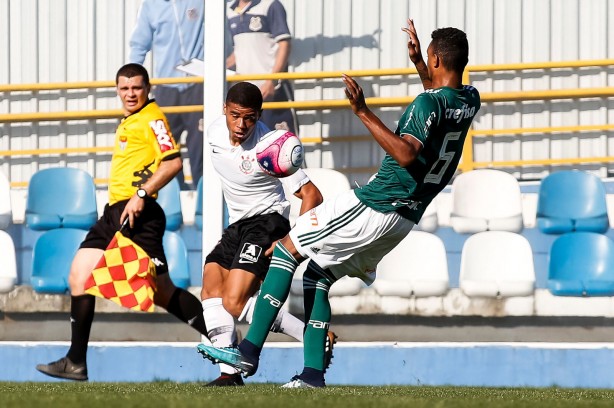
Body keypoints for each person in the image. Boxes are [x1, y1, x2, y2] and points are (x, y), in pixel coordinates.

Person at [197, 19, 481, 388]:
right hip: (405, 217)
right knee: (318, 276)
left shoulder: (426, 102)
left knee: (285, 252)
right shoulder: (469, 98)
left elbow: (408, 153)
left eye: (429, 58)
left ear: (437, 58)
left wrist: (362, 110)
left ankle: (247, 352)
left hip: (377, 202)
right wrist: (420, 66)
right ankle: (312, 375)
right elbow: (440, 97)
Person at [36, 63, 210, 381]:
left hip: (138, 215)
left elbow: (173, 162)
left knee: (163, 292)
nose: (130, 94)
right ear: (118, 90)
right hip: (114, 213)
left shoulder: (153, 117)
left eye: (137, 88)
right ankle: (76, 361)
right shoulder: (131, 119)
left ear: (148, 88)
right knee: (79, 275)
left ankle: (226, 342)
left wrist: (143, 192)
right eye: (124, 88)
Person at [199, 81, 336, 387]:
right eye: (235, 115)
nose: (241, 125)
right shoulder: (213, 134)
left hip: (267, 223)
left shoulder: (271, 147)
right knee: (210, 287)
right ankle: (230, 375)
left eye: (249, 118)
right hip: (237, 225)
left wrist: (293, 240)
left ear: (258, 116)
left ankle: (310, 336)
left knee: (234, 302)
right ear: (224, 109)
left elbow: (312, 195)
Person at [129, 0, 226, 189]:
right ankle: (174, 193)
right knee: (165, 145)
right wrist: (133, 80)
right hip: (167, 87)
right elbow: (139, 46)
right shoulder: (150, 6)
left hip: (198, 83)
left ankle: (203, 193)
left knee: (201, 144)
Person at [226, 0, 298, 134]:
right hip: (246, 96)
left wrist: (272, 81)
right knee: (250, 147)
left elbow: (284, 44)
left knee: (284, 146)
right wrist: (216, 68)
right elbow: (240, 51)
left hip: (272, 92)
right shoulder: (229, 11)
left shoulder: (270, 5)